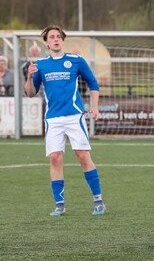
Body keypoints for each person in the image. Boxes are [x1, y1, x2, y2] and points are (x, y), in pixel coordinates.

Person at [24, 25, 106, 217]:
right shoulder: (40, 64)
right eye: (51, 37)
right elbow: (30, 93)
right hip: (53, 119)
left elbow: (93, 83)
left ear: (63, 40)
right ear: (46, 42)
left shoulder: (76, 60)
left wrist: (94, 106)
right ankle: (59, 205)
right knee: (55, 158)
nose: (55, 39)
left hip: (74, 116)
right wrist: (29, 76)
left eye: (58, 36)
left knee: (83, 156)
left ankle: (98, 200)